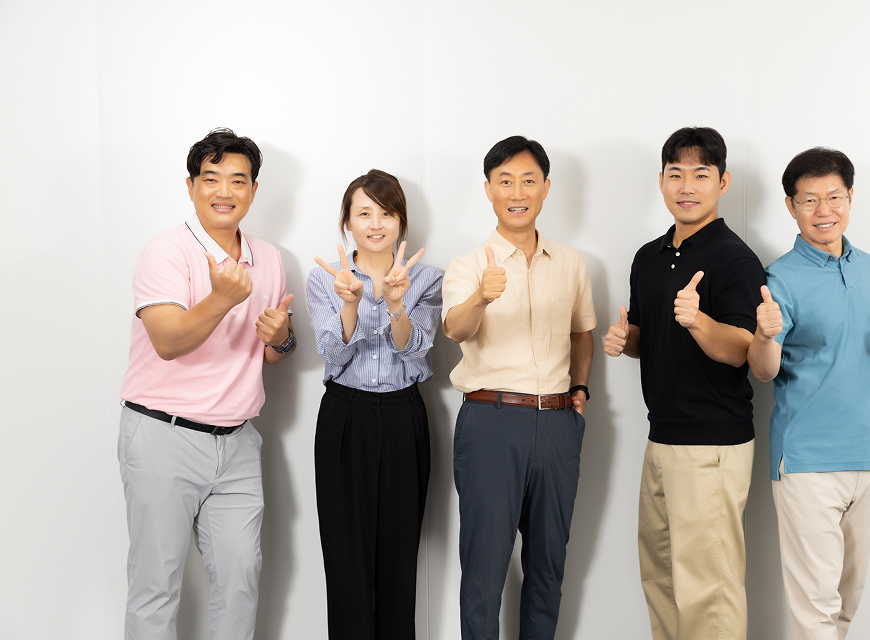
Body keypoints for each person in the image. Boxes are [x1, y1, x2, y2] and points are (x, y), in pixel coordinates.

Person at [118, 128, 295, 640]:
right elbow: (168, 341)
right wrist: (220, 299)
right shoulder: (166, 251)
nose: (224, 191)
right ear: (192, 186)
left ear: (254, 191)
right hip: (162, 437)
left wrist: (281, 338)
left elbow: (273, 351)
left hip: (237, 443)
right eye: (211, 179)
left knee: (240, 581)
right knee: (156, 586)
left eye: (238, 180)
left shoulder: (269, 257)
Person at [604, 127, 765, 640]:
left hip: (713, 443)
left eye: (700, 174)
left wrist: (698, 321)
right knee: (662, 580)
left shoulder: (733, 258)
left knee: (708, 592)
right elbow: (646, 340)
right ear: (661, 181)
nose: (687, 186)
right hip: (662, 438)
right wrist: (623, 338)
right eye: (676, 174)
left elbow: (743, 349)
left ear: (723, 182)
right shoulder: (648, 257)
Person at [747, 147, 870, 640]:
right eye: (810, 200)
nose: (825, 211)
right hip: (807, 463)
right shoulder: (780, 278)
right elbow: (762, 371)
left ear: (850, 197)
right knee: (816, 606)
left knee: (848, 599)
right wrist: (763, 334)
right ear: (790, 206)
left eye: (834, 197)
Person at [442, 136, 596, 640]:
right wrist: (482, 298)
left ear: (546, 188)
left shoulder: (571, 262)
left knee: (549, 565)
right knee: (484, 569)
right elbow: (455, 329)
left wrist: (580, 393)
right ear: (488, 189)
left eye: (529, 180)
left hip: (556, 424)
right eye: (505, 181)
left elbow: (582, 333)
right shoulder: (470, 263)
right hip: (491, 421)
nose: (517, 191)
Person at [306, 169, 441, 640]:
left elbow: (415, 349)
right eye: (364, 213)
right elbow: (333, 353)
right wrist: (351, 304)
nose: (376, 223)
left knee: (399, 557)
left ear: (402, 221)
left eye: (387, 212)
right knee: (345, 557)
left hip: (404, 416)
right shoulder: (327, 278)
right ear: (347, 221)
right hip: (345, 416)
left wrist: (397, 303)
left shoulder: (426, 277)